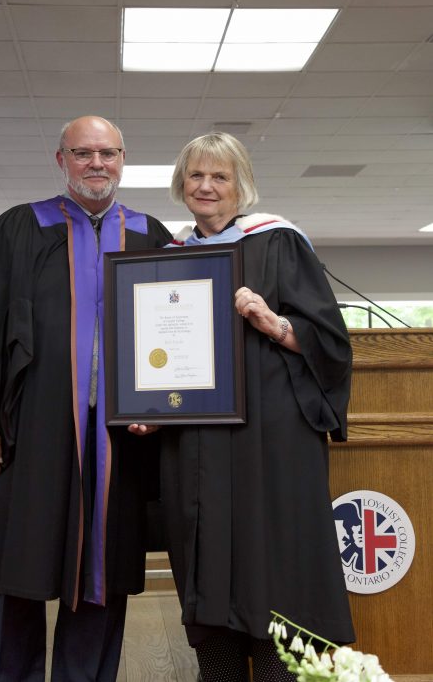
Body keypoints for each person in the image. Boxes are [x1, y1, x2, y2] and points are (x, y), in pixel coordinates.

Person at [0, 116, 172, 681]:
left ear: (123, 158)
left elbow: (173, 334)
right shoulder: (18, 229)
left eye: (108, 153)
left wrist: (165, 408)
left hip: (117, 439)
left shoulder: (150, 235)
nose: (98, 163)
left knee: (101, 580)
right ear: (60, 159)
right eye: (83, 152)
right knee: (14, 576)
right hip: (28, 434)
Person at [131, 132, 355, 681]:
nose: (206, 186)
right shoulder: (167, 261)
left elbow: (330, 345)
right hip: (196, 444)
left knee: (275, 560)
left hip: (271, 439)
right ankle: (221, 668)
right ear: (181, 184)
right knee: (204, 555)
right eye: (195, 175)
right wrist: (145, 408)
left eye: (220, 176)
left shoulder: (279, 242)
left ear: (241, 186)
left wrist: (273, 323)